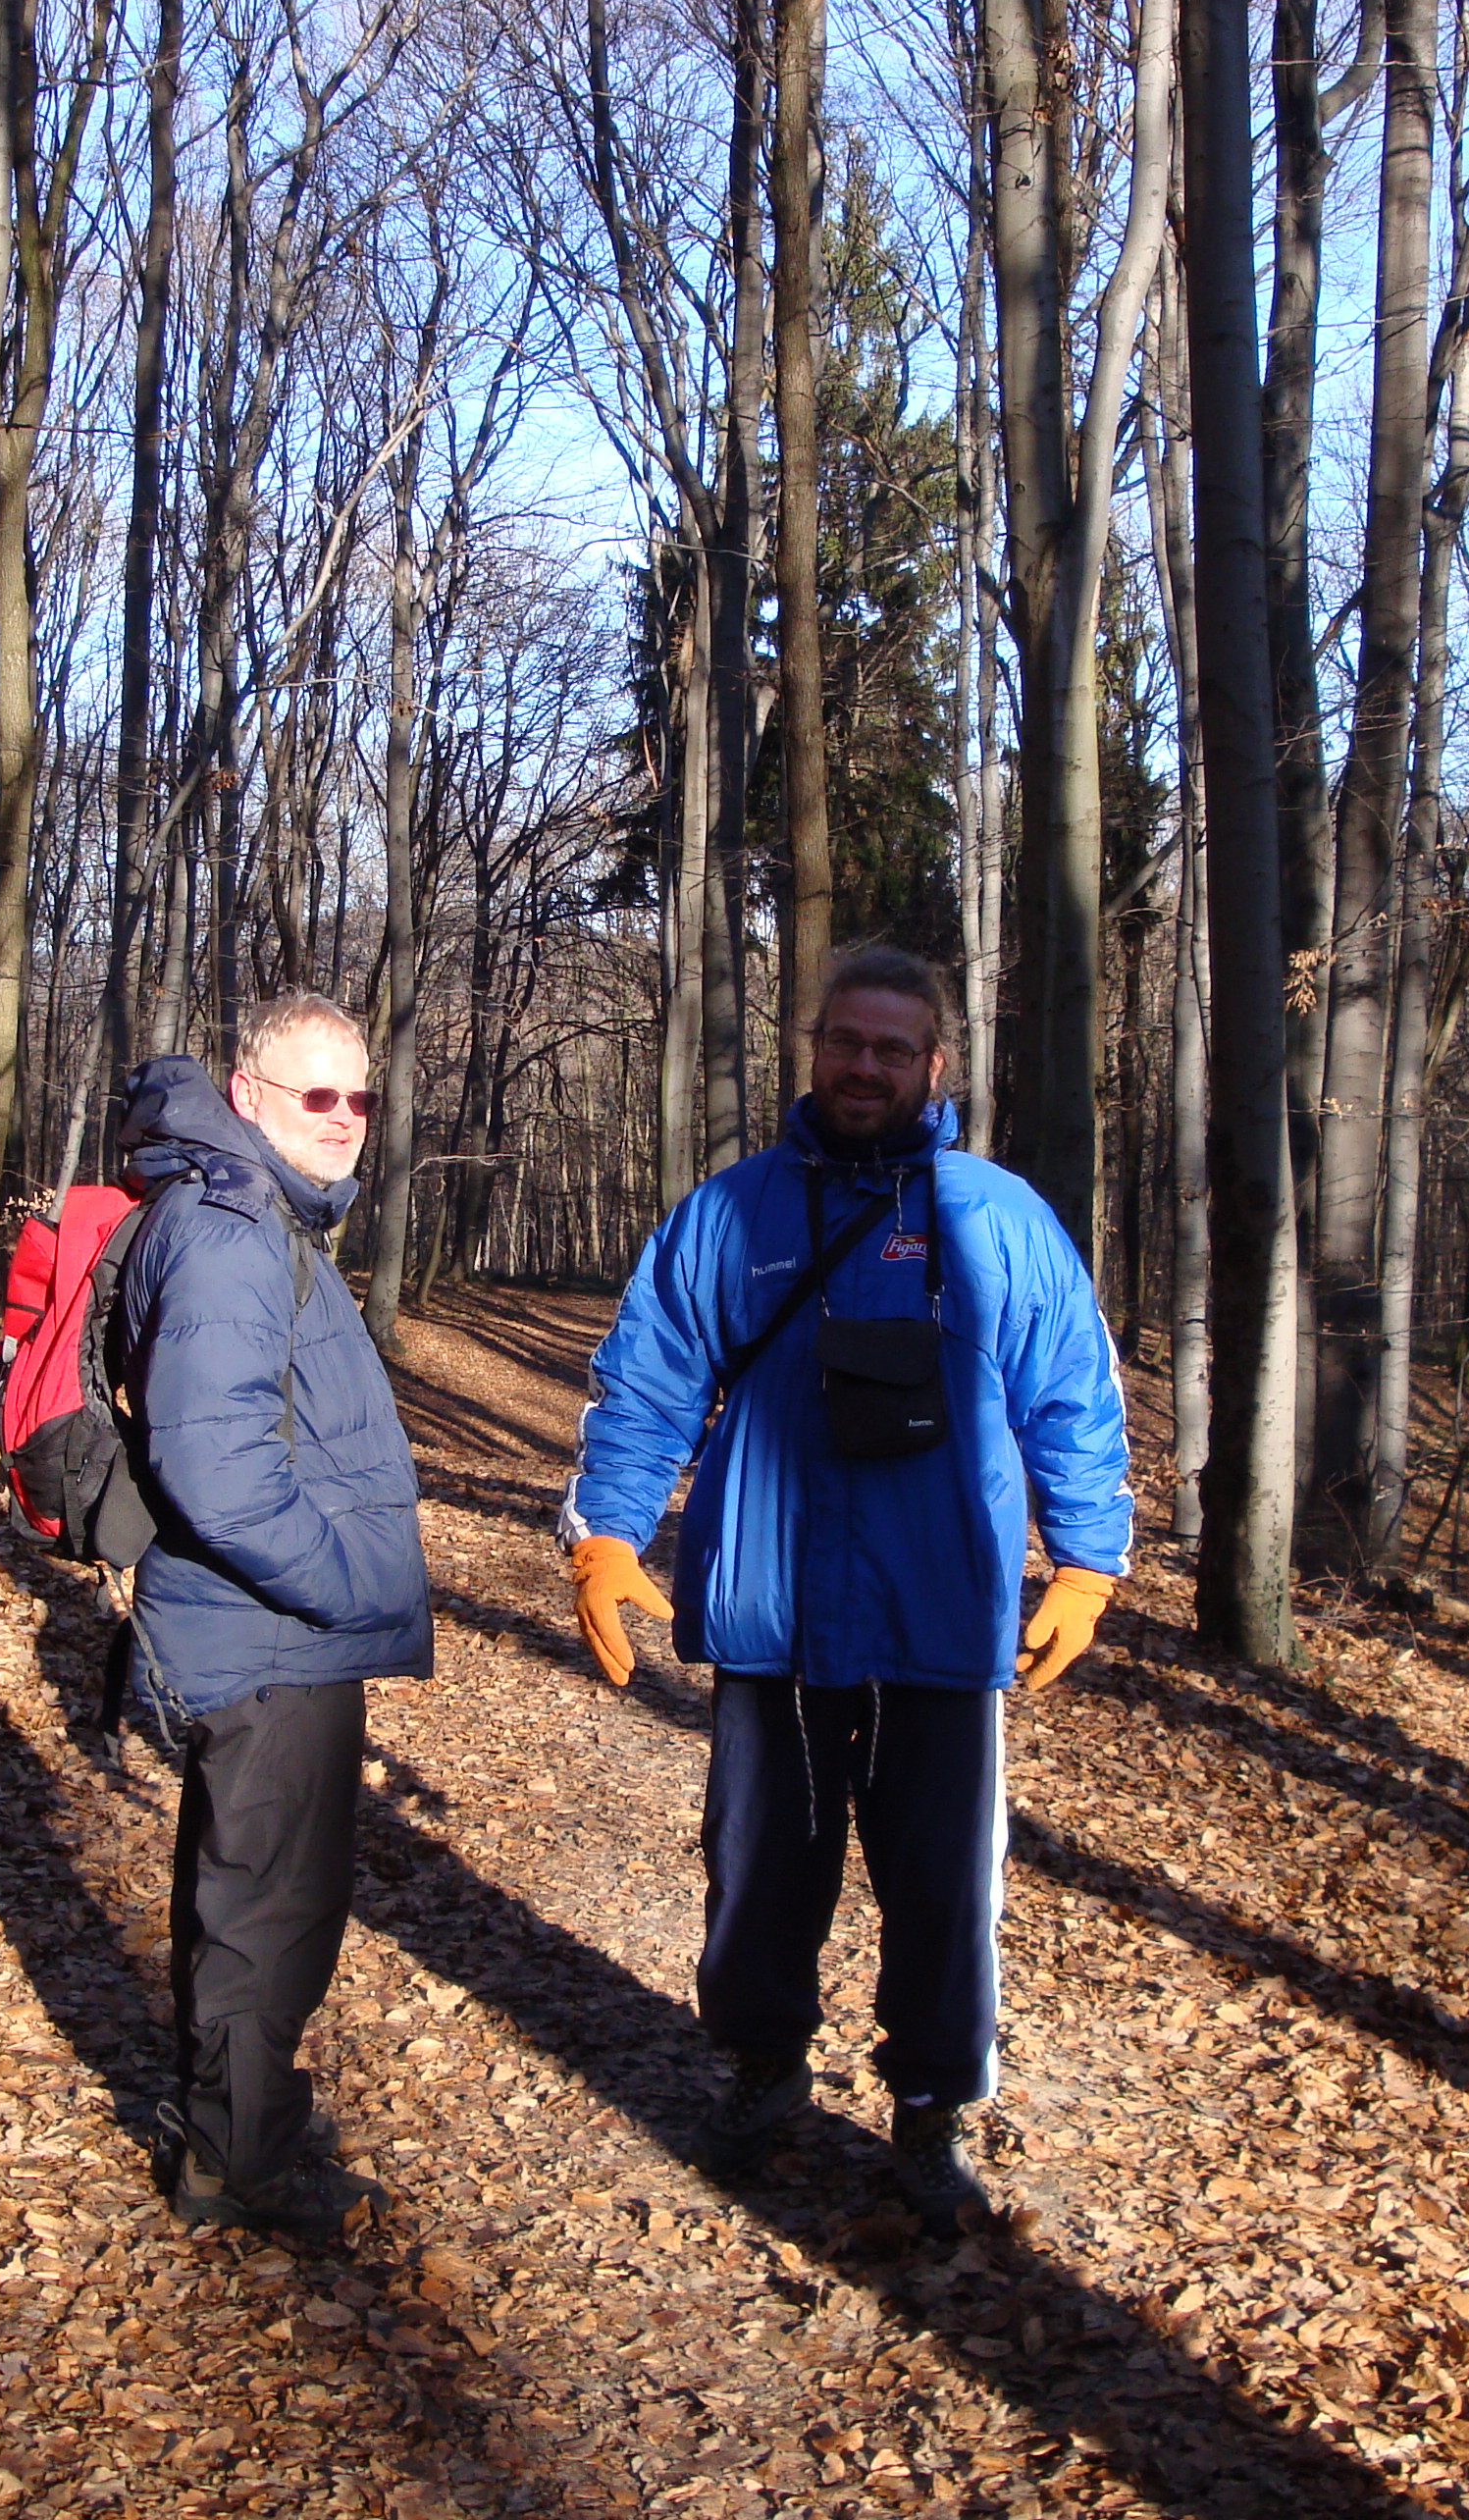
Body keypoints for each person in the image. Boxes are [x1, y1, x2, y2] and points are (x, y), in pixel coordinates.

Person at [558, 945, 1130, 2229]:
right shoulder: (732, 1214)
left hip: (942, 1617)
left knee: (944, 1894)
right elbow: (646, 1382)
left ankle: (932, 2110)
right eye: (845, 1042)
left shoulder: (1000, 1220)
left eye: (892, 1047)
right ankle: (762, 2070)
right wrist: (606, 1536)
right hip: (775, 1618)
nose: (865, 1066)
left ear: (936, 1065)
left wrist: (1089, 1562)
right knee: (761, 1875)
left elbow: (1074, 1398)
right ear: (813, 1048)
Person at [111, 991, 432, 2238]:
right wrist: (350, 1584)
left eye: (360, 1098)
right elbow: (217, 1470)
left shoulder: (251, 1215)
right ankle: (233, 2167)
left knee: (259, 1895)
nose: (345, 1118)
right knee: (268, 1912)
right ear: (249, 1096)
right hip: (266, 1632)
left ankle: (238, 2129)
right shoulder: (234, 1230)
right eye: (318, 1095)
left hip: (261, 1630)